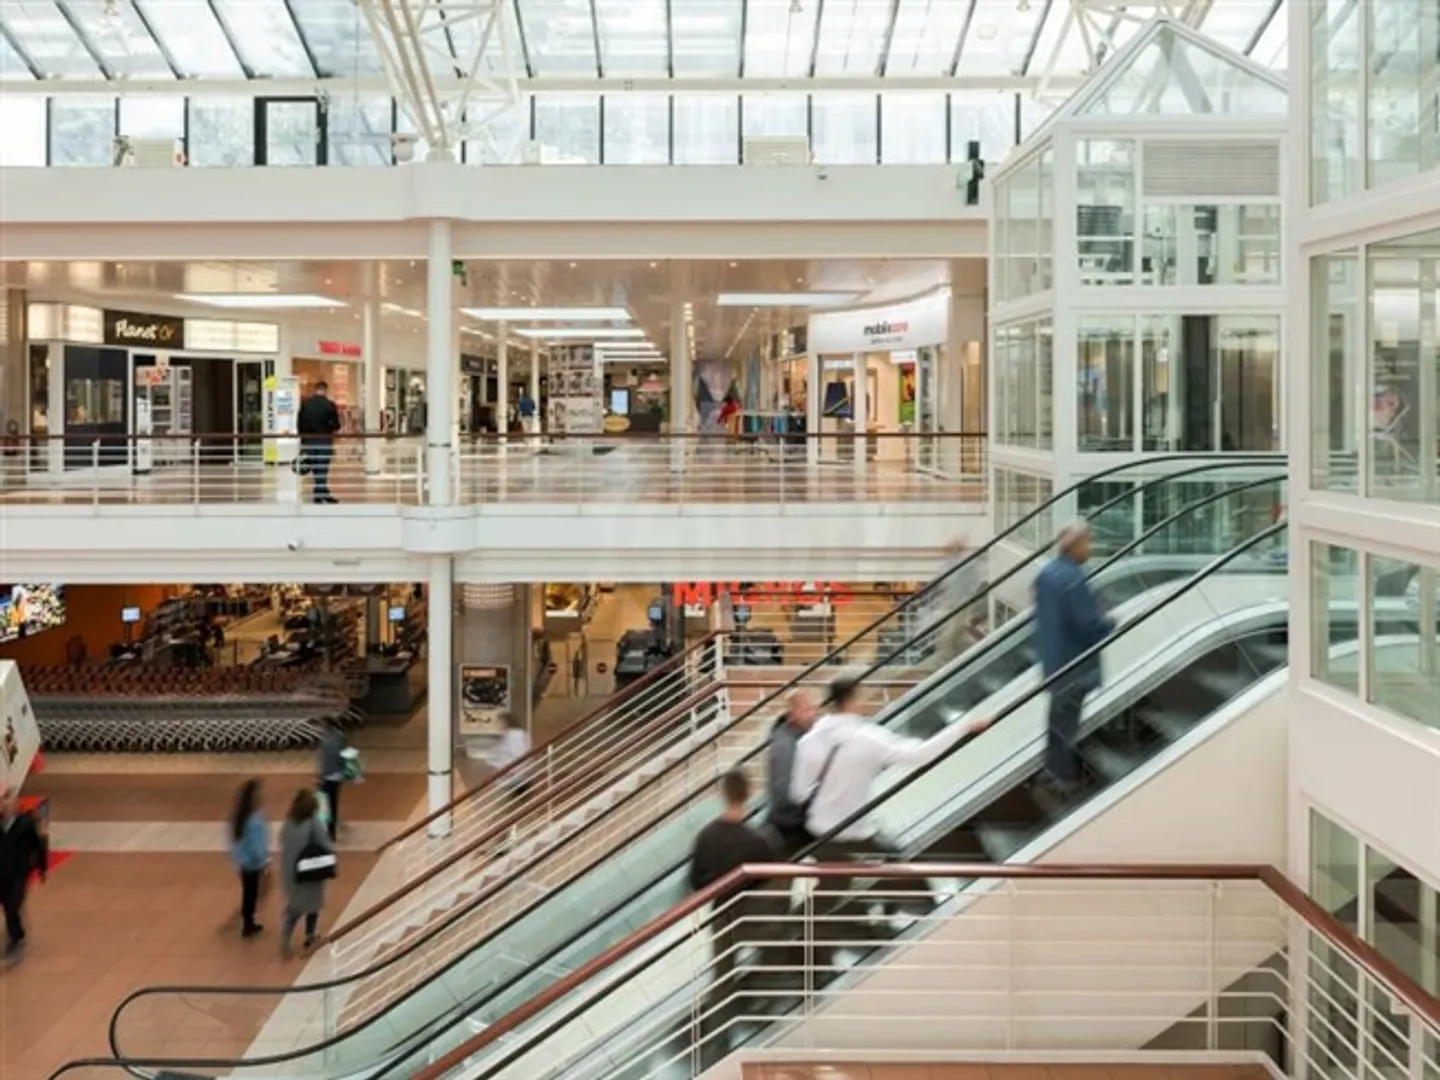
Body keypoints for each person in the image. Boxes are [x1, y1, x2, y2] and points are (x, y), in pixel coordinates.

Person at [791, 676, 990, 917]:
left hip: (819, 829)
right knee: (895, 861)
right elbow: (918, 755)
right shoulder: (868, 737)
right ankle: (927, 914)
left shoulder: (808, 740)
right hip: (852, 828)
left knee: (835, 884)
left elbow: (798, 793)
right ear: (852, 699)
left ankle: (795, 930)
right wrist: (962, 728)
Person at [688, 770, 782, 1012]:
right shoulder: (756, 841)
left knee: (722, 978)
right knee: (777, 943)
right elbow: (768, 879)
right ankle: (764, 1004)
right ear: (748, 794)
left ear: (723, 795)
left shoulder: (706, 836)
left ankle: (719, 1040)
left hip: (721, 915)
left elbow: (696, 881)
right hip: (751, 915)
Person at [1034, 519, 1115, 792]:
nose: (1090, 549)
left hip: (1053, 661)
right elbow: (1088, 626)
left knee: (1057, 719)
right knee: (1068, 722)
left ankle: (1051, 769)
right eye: (1088, 542)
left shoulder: (1047, 573)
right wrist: (1109, 622)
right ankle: (1063, 777)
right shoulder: (1074, 579)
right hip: (1074, 664)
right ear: (1076, 545)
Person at [279, 788, 333, 958]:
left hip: (290, 871)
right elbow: (324, 844)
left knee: (296, 904)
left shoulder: (289, 822)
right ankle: (309, 935)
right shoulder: (314, 822)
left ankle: (287, 936)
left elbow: (282, 841)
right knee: (312, 904)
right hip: (310, 869)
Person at [765, 690, 819, 857]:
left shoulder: (800, 739)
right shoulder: (785, 746)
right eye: (807, 710)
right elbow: (785, 796)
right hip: (792, 830)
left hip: (796, 826)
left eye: (813, 708)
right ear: (793, 714)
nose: (813, 714)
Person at [0, 787, 48, 956]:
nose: (4, 805)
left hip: (19, 872)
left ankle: (16, 936)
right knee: (7, 905)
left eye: (7, 800)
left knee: (13, 905)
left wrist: (42, 867)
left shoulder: (25, 823)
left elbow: (38, 845)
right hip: (1, 873)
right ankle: (15, 928)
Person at [228, 778, 269, 938]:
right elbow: (257, 844)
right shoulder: (255, 819)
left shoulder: (237, 816)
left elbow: (234, 840)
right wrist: (264, 861)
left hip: (242, 862)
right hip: (254, 863)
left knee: (248, 892)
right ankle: (248, 923)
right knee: (252, 893)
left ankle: (247, 920)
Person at [297, 380, 341, 504]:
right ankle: (319, 495)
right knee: (322, 468)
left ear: (315, 390)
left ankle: (322, 493)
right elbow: (336, 425)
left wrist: (303, 441)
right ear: (325, 390)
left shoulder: (306, 404)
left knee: (316, 468)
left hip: (309, 441)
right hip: (324, 440)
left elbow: (300, 424)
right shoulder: (329, 405)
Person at [316, 717, 347, 841]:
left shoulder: (327, 742)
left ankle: (327, 830)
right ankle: (331, 830)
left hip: (328, 776)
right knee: (333, 802)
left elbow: (325, 762)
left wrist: (320, 776)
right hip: (338, 775)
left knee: (324, 803)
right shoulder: (340, 737)